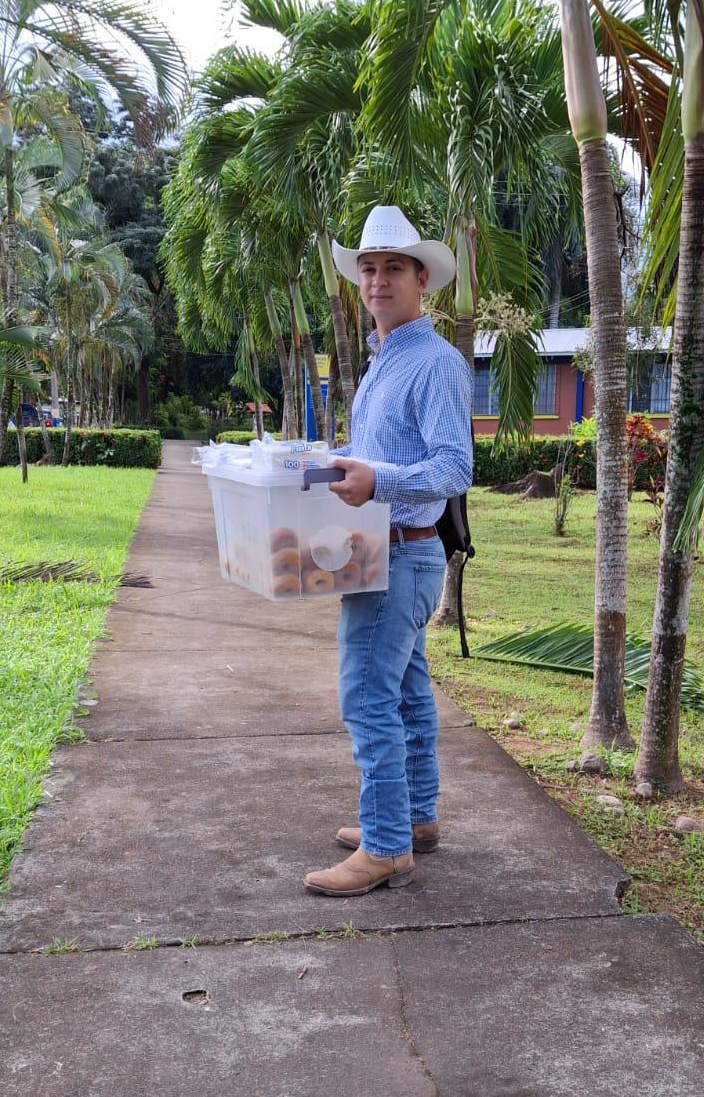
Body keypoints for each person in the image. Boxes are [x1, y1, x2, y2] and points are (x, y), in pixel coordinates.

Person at [303, 205, 473, 898]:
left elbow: (452, 467)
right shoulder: (385, 361)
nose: (377, 280)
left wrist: (380, 479)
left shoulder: (435, 363)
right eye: (368, 268)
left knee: (366, 693)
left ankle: (385, 846)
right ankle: (416, 817)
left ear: (422, 277)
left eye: (392, 267)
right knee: (404, 690)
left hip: (403, 552)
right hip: (386, 550)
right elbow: (387, 456)